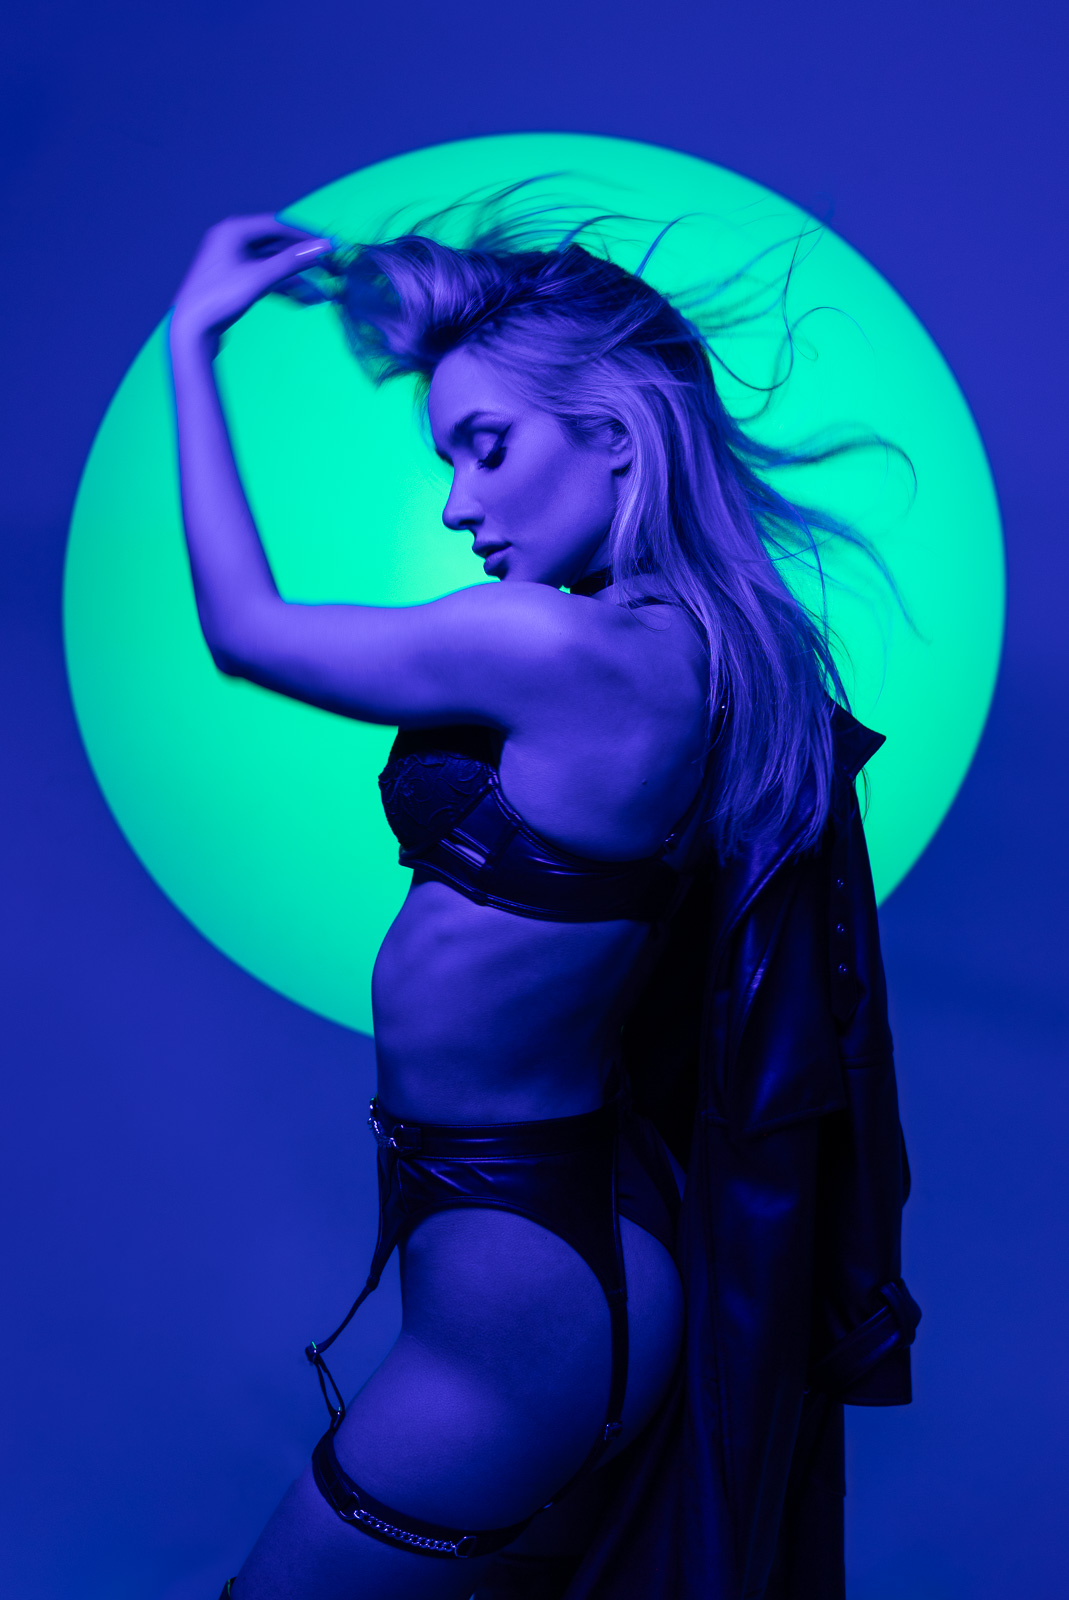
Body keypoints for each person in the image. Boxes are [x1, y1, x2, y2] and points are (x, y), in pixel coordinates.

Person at [168, 207, 918, 1600]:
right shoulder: (715, 651)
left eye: (488, 446)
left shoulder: (552, 646)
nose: (460, 503)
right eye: (448, 459)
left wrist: (190, 347)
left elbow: (242, 630)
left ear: (617, 433)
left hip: (516, 1305)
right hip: (590, 1262)